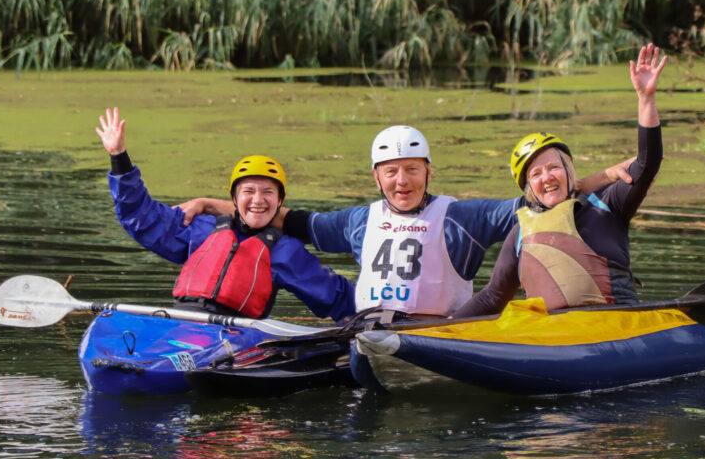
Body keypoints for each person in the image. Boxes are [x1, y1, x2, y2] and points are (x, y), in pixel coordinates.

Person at [176, 127, 630, 319]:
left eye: (412, 169)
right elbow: (284, 218)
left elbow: (541, 199)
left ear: (428, 171)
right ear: (376, 177)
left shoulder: (460, 217)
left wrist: (603, 178)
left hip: (434, 337)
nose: (402, 181)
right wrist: (217, 204)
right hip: (369, 334)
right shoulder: (359, 220)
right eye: (392, 172)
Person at [451, 43, 667, 319]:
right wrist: (439, 329)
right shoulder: (520, 233)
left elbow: (647, 163)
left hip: (617, 326)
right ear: (529, 188)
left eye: (554, 167)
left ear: (569, 172)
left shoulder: (607, 205)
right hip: (553, 339)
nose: (547, 177)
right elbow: (493, 296)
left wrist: (646, 99)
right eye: (536, 174)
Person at [94, 107, 356, 322]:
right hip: (180, 324)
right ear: (234, 198)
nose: (257, 201)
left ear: (280, 202)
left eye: (268, 192)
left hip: (234, 339)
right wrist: (119, 158)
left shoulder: (285, 251)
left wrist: (376, 313)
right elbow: (142, 218)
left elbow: (335, 295)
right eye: (248, 191)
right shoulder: (200, 229)